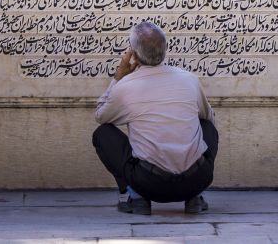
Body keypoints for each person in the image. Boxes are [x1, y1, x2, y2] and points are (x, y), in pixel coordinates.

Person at [92, 21, 218, 215]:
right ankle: (195, 198)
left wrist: (118, 77)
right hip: (196, 179)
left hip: (150, 184)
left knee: (102, 134)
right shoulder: (189, 79)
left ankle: (135, 197)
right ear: (166, 49)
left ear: (132, 54)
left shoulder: (126, 86)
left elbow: (100, 115)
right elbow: (210, 118)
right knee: (207, 125)